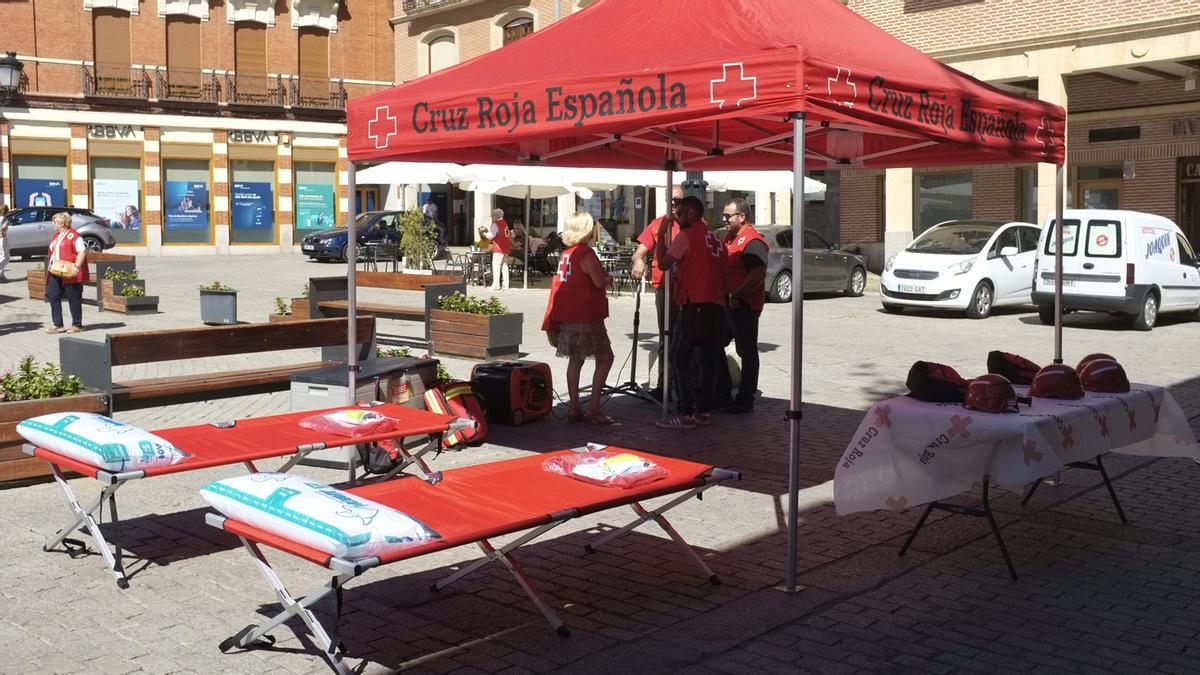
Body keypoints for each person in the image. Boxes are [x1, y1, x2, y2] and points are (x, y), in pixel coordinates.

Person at [654, 195, 727, 430]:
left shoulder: (687, 236)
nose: (677, 217)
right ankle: (704, 411)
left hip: (694, 302)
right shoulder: (716, 238)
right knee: (707, 359)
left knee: (679, 356)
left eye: (681, 213)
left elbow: (664, 263)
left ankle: (685, 411)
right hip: (716, 304)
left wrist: (662, 236)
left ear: (693, 213)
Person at [542, 212, 615, 425]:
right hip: (587, 314)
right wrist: (609, 278)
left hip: (569, 315)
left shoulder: (566, 253)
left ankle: (574, 407)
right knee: (605, 358)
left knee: (576, 359)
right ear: (585, 229)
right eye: (591, 226)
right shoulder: (586, 253)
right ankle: (593, 407)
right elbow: (599, 282)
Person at [630, 185, 684, 399]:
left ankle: (686, 384)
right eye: (670, 199)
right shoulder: (657, 224)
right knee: (666, 336)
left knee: (686, 336)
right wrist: (638, 262)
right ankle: (664, 384)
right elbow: (639, 252)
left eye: (677, 200)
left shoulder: (691, 224)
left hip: (686, 286)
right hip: (663, 286)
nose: (673, 203)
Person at [714, 197, 767, 413]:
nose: (723, 219)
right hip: (727, 304)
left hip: (744, 306)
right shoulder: (729, 238)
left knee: (747, 351)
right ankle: (723, 392)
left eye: (728, 215)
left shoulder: (753, 241)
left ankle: (745, 398)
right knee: (715, 343)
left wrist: (738, 294)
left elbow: (758, 274)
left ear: (742, 216)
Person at [45, 211, 89, 333]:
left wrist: (77, 266)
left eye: (56, 221)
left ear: (63, 223)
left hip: (69, 270)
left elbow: (81, 252)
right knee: (52, 294)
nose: (53, 223)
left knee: (73, 297)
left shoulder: (74, 236)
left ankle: (77, 324)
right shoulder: (56, 235)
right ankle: (58, 324)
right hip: (56, 270)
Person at [479, 208, 512, 290]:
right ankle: (506, 284)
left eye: (492, 216)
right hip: (506, 248)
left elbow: (491, 236)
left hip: (498, 248)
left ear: (496, 216)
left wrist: (484, 233)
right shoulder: (505, 223)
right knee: (504, 266)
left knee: (496, 266)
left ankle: (496, 285)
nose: (492, 217)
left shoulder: (496, 224)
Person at [0, 204, 10, 282]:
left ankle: (1, 276)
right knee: (6, 257)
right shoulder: (4, 219)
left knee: (1, 256)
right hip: (2, 238)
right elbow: (3, 228)